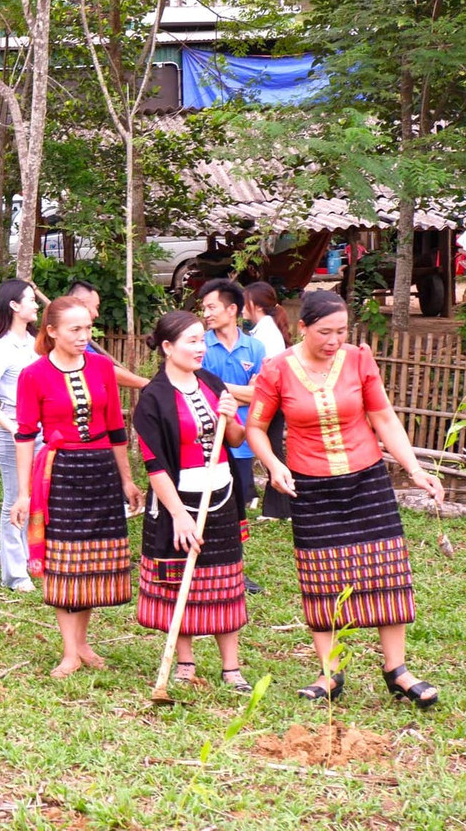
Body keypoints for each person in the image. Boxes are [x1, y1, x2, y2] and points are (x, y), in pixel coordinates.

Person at [248, 290, 444, 707]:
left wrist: (414, 468)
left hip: (367, 479)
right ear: (303, 327)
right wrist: (274, 465)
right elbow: (256, 428)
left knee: (387, 570)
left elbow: (383, 416)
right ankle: (329, 673)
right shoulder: (277, 368)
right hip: (311, 485)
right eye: (325, 332)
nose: (335, 340)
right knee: (322, 578)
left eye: (341, 330)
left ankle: (397, 670)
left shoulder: (359, 359)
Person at [8, 296, 142, 678]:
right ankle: (69, 651)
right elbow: (24, 435)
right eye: (75, 329)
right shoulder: (33, 375)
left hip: (100, 471)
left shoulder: (102, 368)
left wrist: (127, 479)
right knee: (65, 564)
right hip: (61, 472)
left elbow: (117, 428)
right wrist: (23, 493)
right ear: (51, 332)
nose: (85, 336)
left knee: (92, 562)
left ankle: (83, 643)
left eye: (88, 329)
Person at [133, 312, 252, 693]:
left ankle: (231, 668)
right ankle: (184, 662)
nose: (201, 348)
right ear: (168, 347)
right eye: (192, 341)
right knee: (178, 581)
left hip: (222, 495)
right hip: (177, 501)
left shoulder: (212, 383)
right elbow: (155, 466)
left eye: (203, 340)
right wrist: (180, 515)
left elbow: (234, 439)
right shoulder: (152, 399)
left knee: (224, 580)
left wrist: (231, 417)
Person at [197, 278, 266, 594]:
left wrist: (223, 389)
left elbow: (259, 395)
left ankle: (235, 570)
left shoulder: (255, 347)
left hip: (239, 440)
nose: (206, 313)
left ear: (232, 309)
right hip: (205, 437)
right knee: (202, 504)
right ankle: (200, 568)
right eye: (204, 308)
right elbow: (200, 387)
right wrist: (235, 392)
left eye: (211, 307)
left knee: (235, 509)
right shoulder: (201, 344)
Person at [0, 279, 39, 592]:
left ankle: (18, 556)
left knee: (35, 497)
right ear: (14, 306)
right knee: (15, 498)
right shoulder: (1, 348)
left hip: (39, 429)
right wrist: (13, 427)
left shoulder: (35, 343)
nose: (36, 304)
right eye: (30, 299)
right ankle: (15, 575)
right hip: (14, 429)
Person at [242, 281, 291, 521]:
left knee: (271, 450)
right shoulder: (264, 329)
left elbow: (270, 369)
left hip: (271, 398)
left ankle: (280, 509)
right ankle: (278, 508)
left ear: (254, 304)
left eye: (244, 302)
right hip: (269, 397)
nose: (242, 308)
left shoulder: (267, 333)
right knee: (270, 449)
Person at [65, 281, 149, 390]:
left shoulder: (80, 337)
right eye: (96, 307)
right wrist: (145, 383)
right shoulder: (68, 338)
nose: (97, 314)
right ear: (81, 304)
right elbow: (102, 368)